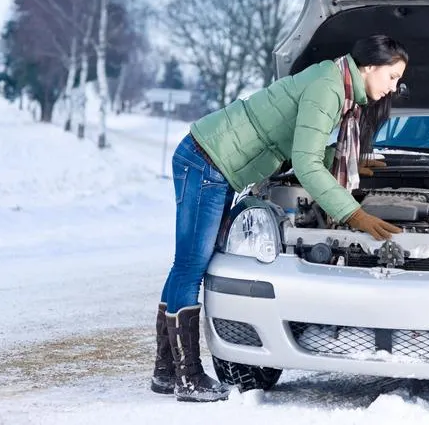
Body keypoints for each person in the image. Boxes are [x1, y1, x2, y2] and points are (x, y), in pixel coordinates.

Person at [151, 34, 409, 402]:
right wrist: (352, 213)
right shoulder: (329, 88)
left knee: (186, 265)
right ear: (369, 66)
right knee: (191, 266)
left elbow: (298, 140)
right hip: (207, 160)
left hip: (213, 161)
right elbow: (305, 163)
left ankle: (166, 372)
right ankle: (188, 377)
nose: (394, 87)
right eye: (392, 76)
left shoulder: (333, 80)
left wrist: (345, 160)